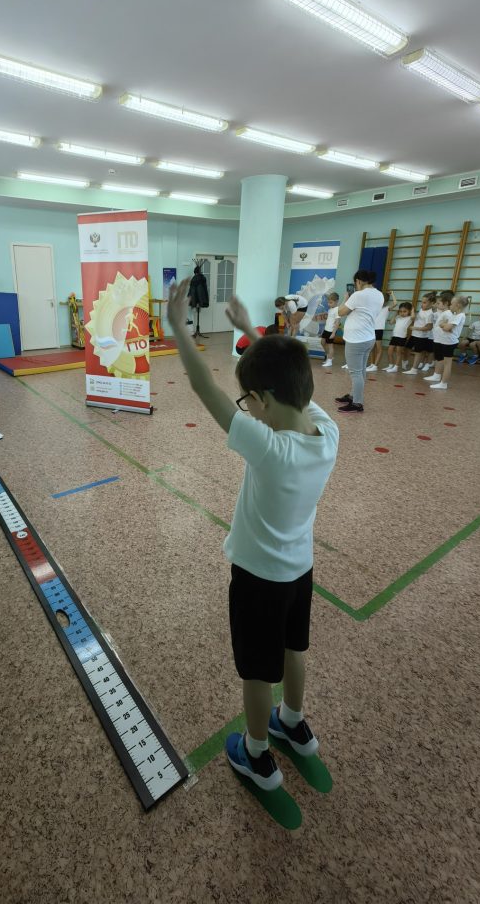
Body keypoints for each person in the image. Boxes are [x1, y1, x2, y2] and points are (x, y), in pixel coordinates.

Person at [166, 279, 338, 792]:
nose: (245, 409)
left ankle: (257, 755)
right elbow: (291, 380)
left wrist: (178, 327)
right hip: (300, 572)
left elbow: (204, 389)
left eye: (249, 401)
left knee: (256, 671)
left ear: (261, 400)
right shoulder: (326, 434)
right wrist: (247, 331)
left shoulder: (269, 449)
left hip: (258, 578)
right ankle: (294, 721)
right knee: (293, 650)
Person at [334, 270, 384, 413]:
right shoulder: (379, 294)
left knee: (355, 372)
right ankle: (353, 396)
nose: (355, 285)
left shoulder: (358, 295)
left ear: (359, 281)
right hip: (368, 337)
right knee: (360, 370)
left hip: (356, 339)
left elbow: (340, 312)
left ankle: (357, 403)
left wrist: (346, 298)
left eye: (356, 282)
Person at [423, 293, 468, 391]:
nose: (450, 306)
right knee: (439, 359)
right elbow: (446, 326)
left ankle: (444, 383)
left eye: (452, 304)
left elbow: (447, 327)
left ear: (458, 305)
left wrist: (443, 324)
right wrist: (444, 325)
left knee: (447, 363)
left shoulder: (460, 316)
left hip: (449, 342)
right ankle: (437, 375)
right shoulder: (456, 315)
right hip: (442, 340)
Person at [405, 292, 436, 374]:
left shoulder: (430, 314)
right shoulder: (422, 310)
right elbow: (417, 319)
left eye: (424, 302)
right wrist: (413, 313)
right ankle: (406, 362)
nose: (422, 304)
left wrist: (416, 328)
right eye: (421, 302)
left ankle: (414, 369)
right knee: (408, 347)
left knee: (418, 352)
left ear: (432, 303)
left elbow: (429, 327)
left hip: (421, 336)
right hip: (414, 334)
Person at [382, 300, 413, 373]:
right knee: (389, 351)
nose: (402, 313)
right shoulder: (398, 317)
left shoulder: (409, 318)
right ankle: (390, 365)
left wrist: (412, 309)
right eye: (401, 311)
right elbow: (391, 322)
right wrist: (396, 314)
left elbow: (413, 316)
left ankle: (396, 367)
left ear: (409, 311)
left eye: (405, 311)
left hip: (402, 337)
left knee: (398, 353)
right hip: (394, 336)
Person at [367, 290, 395, 372]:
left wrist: (392, 294)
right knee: (372, 348)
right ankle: (372, 364)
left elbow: (395, 303)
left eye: (383, 301)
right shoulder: (375, 308)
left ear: (385, 302)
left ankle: (375, 365)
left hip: (379, 330)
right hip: (372, 329)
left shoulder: (387, 308)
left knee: (379, 348)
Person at [319, 292, 341, 368]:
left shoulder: (337, 310)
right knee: (322, 342)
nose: (329, 304)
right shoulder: (330, 309)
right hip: (326, 329)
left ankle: (330, 361)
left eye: (331, 302)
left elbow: (337, 322)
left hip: (331, 331)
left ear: (336, 301)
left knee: (330, 346)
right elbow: (329, 320)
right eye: (328, 302)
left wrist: (333, 333)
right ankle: (329, 356)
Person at [188, 265, 210, 338]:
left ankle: (197, 331)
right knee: (198, 312)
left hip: (196, 299)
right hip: (199, 298)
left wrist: (193, 300)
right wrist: (202, 300)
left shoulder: (194, 278)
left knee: (197, 312)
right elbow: (202, 290)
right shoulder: (202, 278)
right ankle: (197, 331)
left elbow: (192, 290)